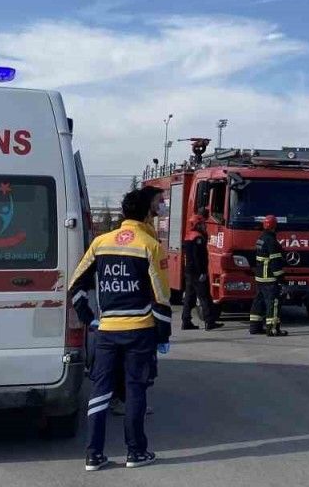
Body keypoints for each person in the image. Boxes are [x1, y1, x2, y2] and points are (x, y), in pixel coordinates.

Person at [70, 186, 172, 471]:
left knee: (100, 390)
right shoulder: (150, 246)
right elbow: (162, 298)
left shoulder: (101, 243)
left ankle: (93, 455)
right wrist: (162, 336)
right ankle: (135, 453)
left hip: (107, 330)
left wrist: (88, 317)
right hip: (140, 330)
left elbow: (75, 286)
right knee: (135, 390)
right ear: (147, 211)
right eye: (157, 203)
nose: (160, 207)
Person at [181, 207, 223, 330]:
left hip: (189, 271)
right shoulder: (198, 238)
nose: (205, 226)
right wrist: (202, 272)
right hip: (197, 272)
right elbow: (198, 258)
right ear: (198, 224)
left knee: (189, 297)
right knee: (205, 297)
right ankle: (209, 322)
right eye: (202, 224)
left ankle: (186, 321)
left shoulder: (189, 236)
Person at [248, 215, 288, 336]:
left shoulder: (261, 239)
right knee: (273, 303)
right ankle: (272, 329)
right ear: (275, 226)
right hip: (269, 277)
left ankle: (254, 327)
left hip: (260, 277)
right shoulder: (272, 241)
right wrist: (281, 279)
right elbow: (275, 263)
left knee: (258, 302)